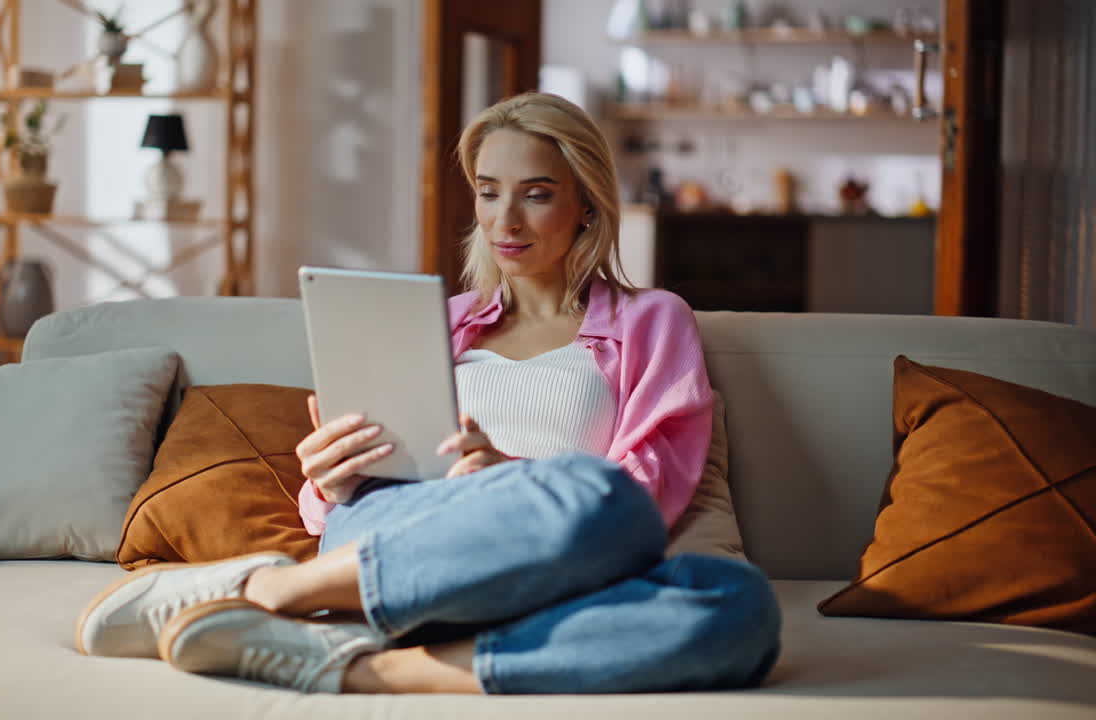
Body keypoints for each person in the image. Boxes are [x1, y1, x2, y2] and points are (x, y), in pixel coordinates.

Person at [76, 92, 781, 694]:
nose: (505, 221)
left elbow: (651, 497)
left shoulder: (651, 320)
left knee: (739, 605)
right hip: (409, 533)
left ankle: (355, 665)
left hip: (559, 565)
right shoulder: (437, 322)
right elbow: (338, 508)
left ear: (587, 207)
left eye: (537, 194)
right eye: (488, 191)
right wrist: (324, 480)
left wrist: (513, 477)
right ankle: (270, 588)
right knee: (601, 498)